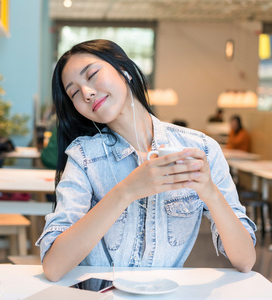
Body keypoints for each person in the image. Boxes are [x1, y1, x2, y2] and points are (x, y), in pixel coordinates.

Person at [36, 39, 256, 282]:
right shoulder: (83, 157)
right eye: (74, 92)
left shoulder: (201, 148)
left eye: (92, 75)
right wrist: (126, 191)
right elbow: (54, 268)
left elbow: (245, 260)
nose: (86, 93)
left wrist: (210, 193)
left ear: (125, 71)